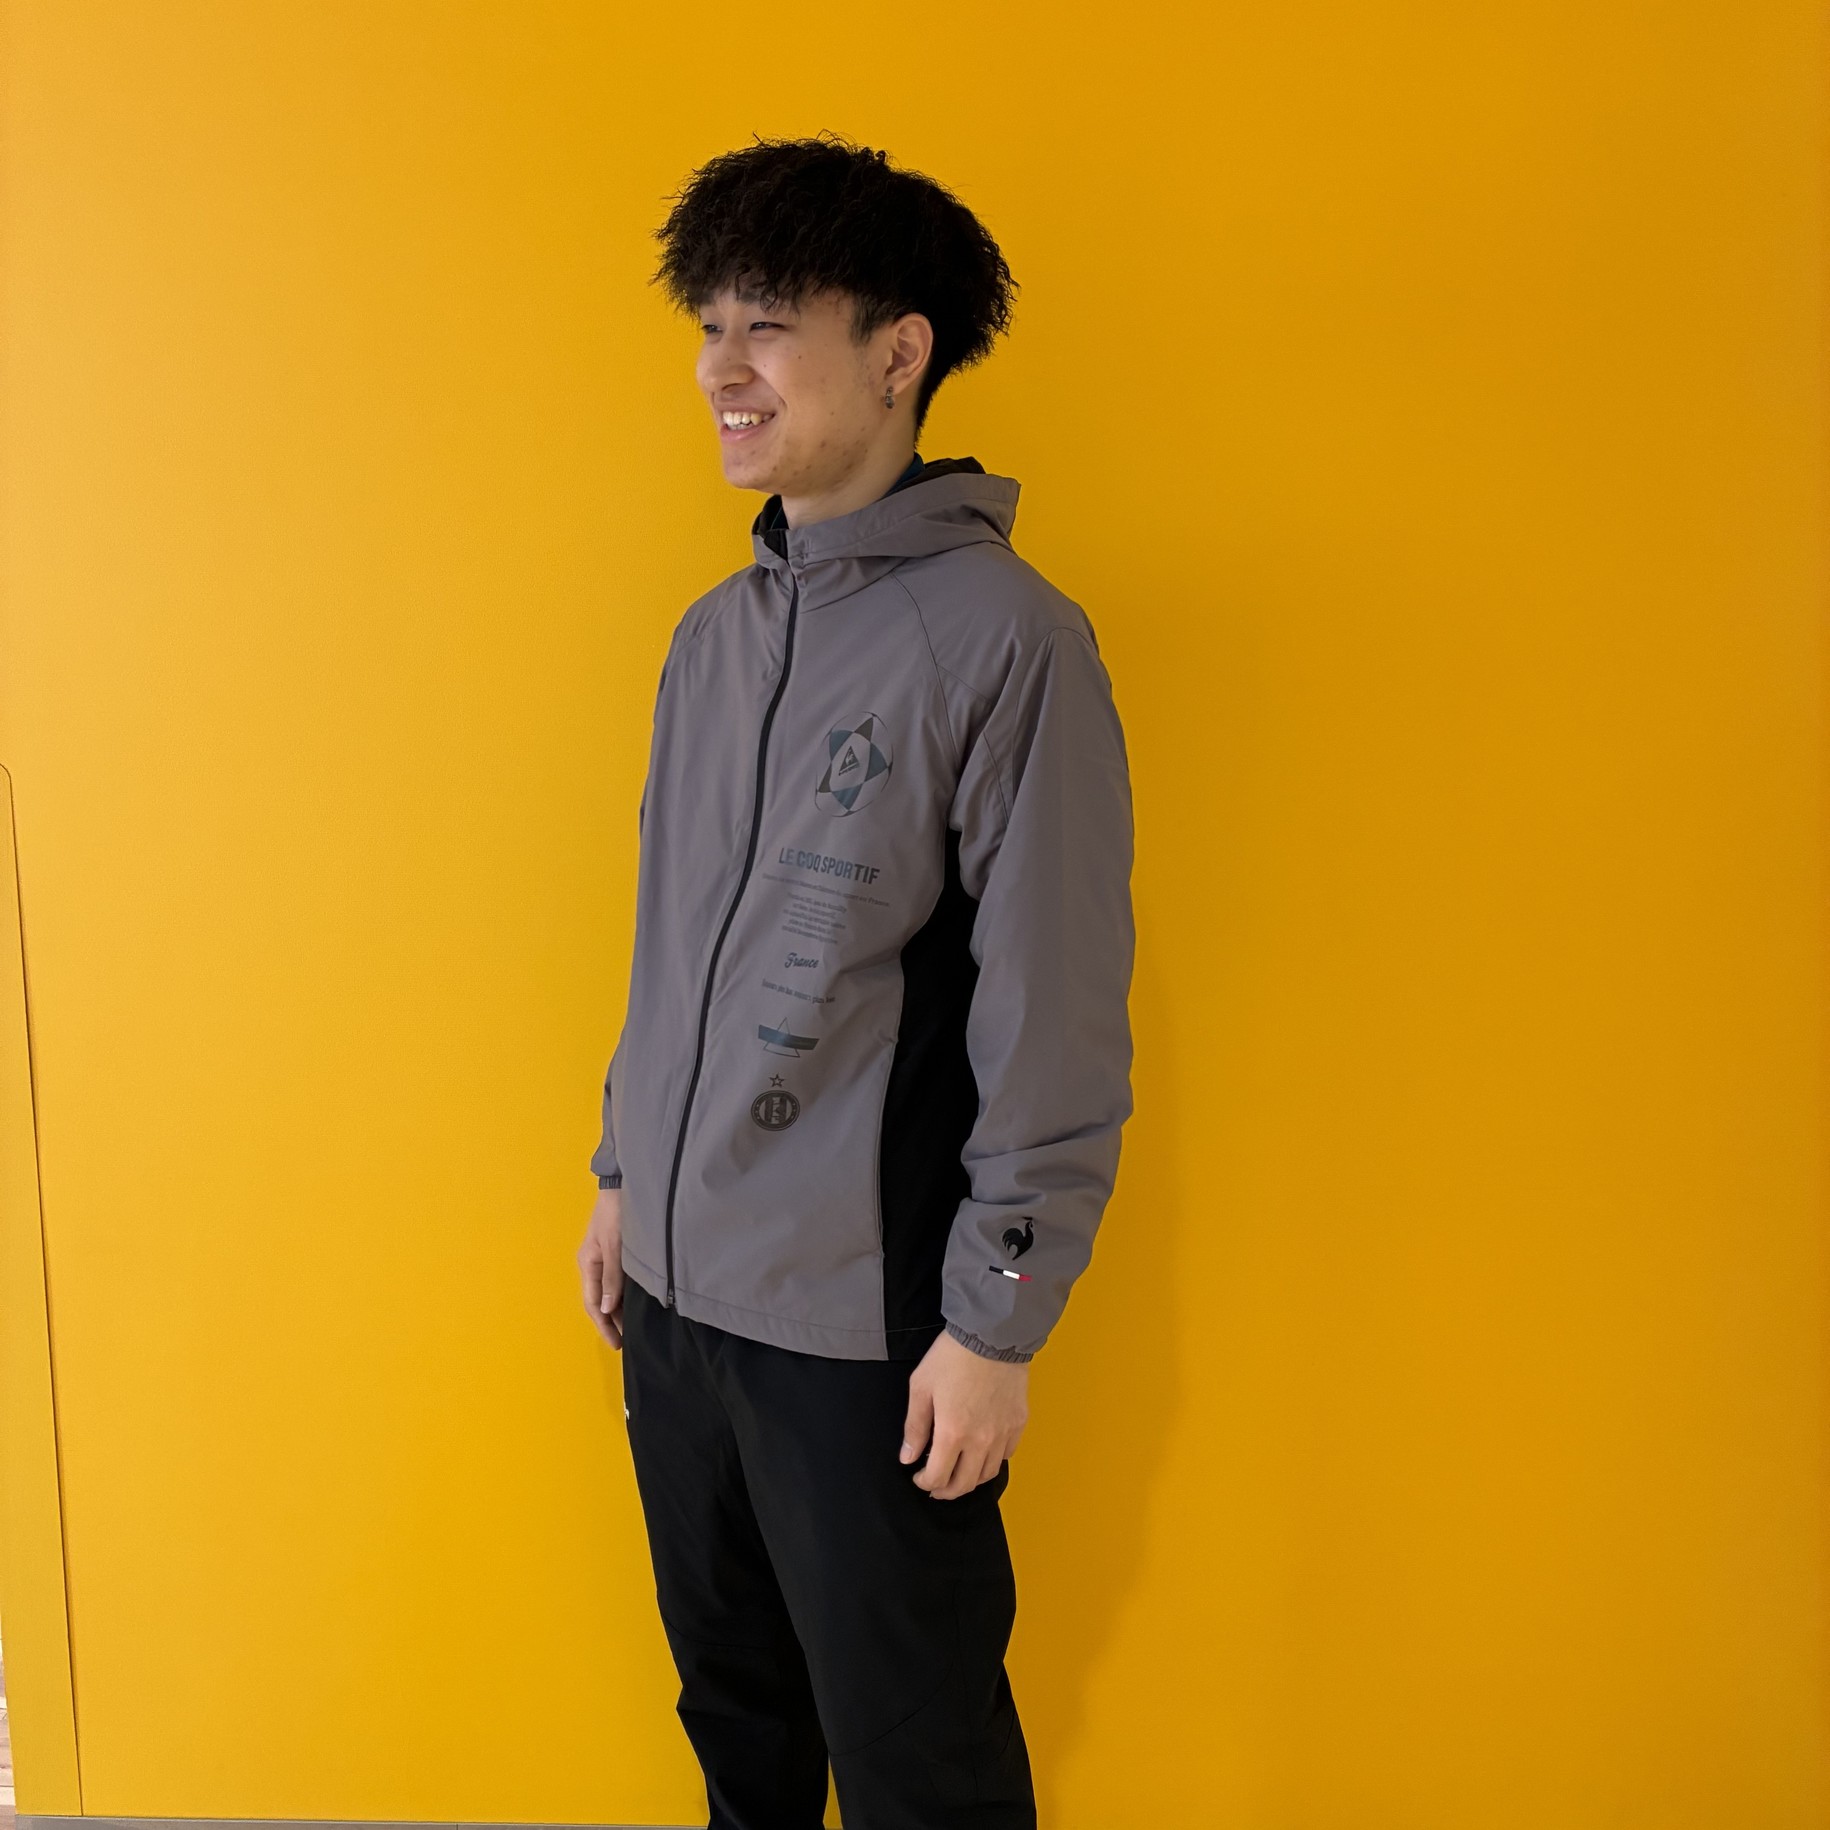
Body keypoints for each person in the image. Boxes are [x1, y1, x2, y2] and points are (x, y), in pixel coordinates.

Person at [576, 133, 1135, 1830]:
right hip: (677, 1307)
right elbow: (670, 940)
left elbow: (1049, 1011)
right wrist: (622, 1170)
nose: (718, 369)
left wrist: (994, 1322)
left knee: (917, 1763)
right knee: (735, 1728)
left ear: (898, 353)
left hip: (863, 1330)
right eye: (707, 325)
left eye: (765, 325)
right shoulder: (711, 636)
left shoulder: (1009, 641)